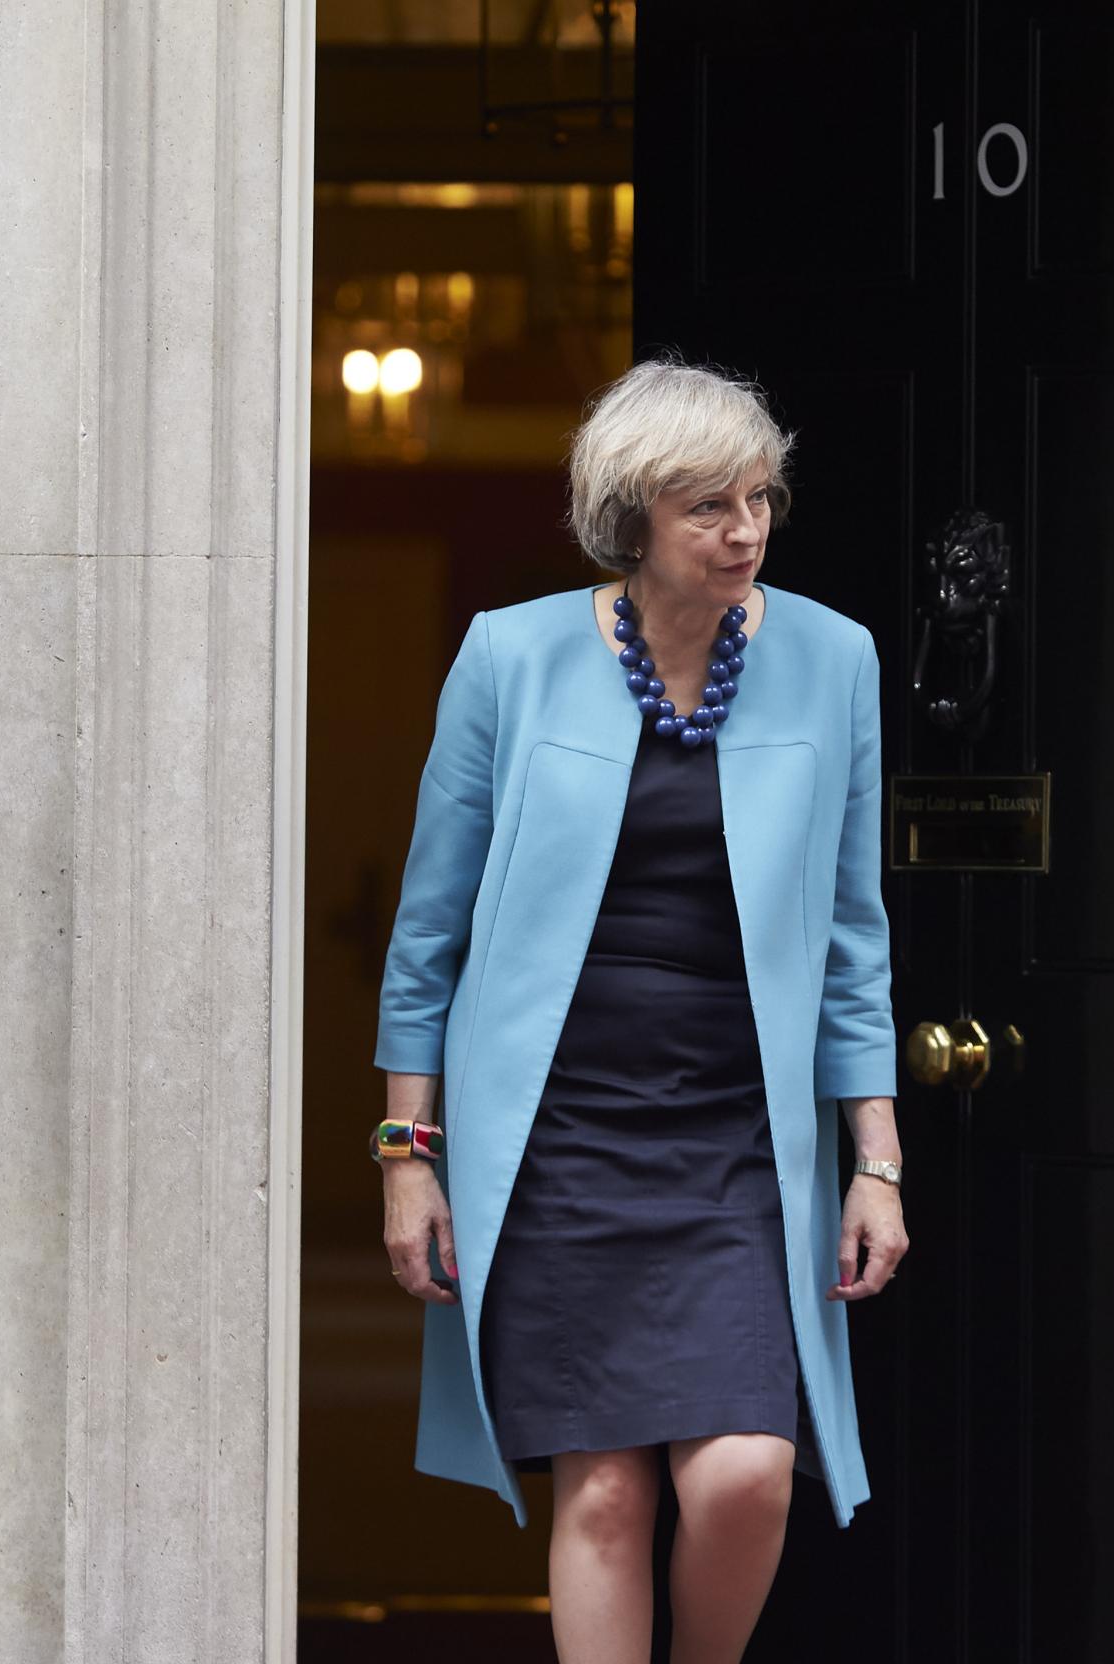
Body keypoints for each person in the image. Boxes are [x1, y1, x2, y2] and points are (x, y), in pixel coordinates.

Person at [370, 354, 908, 1662]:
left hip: (735, 1138)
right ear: (632, 521)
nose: (747, 533)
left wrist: (876, 1159)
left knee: (742, 1475)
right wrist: (407, 1153)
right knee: (603, 1487)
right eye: (709, 509)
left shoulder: (834, 661)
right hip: (557, 1138)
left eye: (759, 500)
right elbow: (429, 932)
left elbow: (851, 937)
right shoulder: (514, 657)